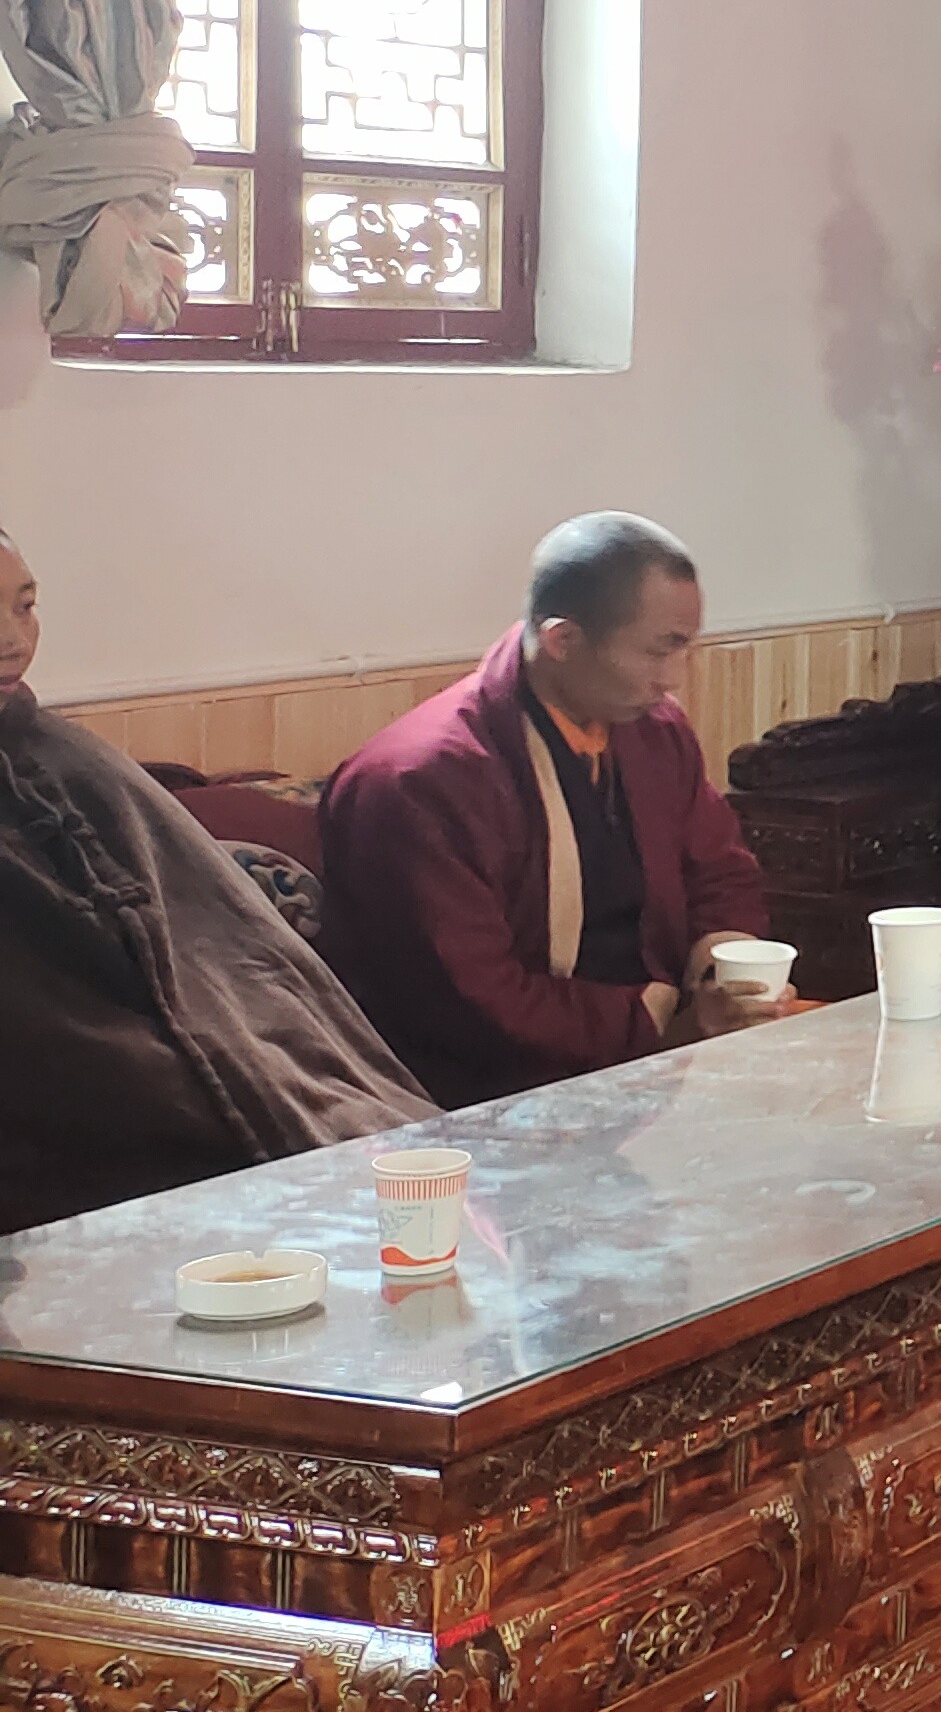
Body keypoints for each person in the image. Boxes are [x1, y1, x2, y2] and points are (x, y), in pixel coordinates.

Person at [0, 529, 434, 1233]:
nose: (13, 641)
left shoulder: (73, 759)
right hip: (94, 1159)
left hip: (269, 1094)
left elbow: (251, 963)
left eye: (25, 607)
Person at [317, 514, 785, 1108]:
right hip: (477, 1097)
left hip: (656, 1062)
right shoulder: (420, 781)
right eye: (657, 652)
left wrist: (723, 977)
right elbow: (471, 997)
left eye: (683, 648)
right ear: (563, 641)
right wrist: (660, 1023)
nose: (674, 681)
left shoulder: (653, 732)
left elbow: (719, 870)